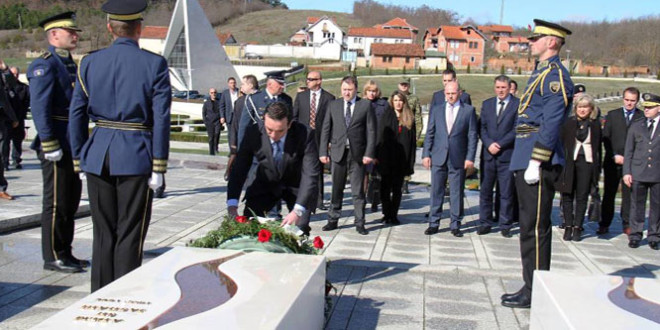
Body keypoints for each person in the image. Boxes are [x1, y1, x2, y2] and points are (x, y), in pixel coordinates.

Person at [69, 0, 171, 291]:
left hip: (98, 153)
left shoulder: (88, 62)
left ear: (109, 27)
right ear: (139, 28)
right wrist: (159, 165)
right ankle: (123, 296)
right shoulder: (154, 64)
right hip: (136, 154)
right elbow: (161, 117)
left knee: (103, 233)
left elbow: (77, 113)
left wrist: (79, 158)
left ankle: (98, 296)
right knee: (129, 232)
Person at [501, 19, 573, 309]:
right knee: (527, 225)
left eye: (536, 38)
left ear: (552, 42)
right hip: (525, 154)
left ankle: (537, 291)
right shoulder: (540, 73)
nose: (531, 42)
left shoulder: (555, 76)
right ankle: (530, 284)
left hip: (539, 160)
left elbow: (551, 123)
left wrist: (536, 160)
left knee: (536, 227)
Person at [27, 12, 86, 273]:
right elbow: (39, 107)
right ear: (54, 35)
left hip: (70, 142)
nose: (75, 35)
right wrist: (49, 141)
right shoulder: (45, 64)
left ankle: (66, 251)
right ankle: (52, 255)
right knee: (55, 203)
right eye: (69, 31)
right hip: (56, 144)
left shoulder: (69, 64)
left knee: (70, 201)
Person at [227, 102, 320, 235]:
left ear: (289, 124)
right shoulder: (253, 132)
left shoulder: (305, 134)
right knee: (248, 229)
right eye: (269, 130)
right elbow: (239, 168)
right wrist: (232, 203)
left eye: (280, 131)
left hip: (296, 186)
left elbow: (310, 174)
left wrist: (297, 211)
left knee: (299, 231)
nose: (274, 136)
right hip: (264, 183)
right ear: (264, 119)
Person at [319, 76, 376, 235]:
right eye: (344, 89)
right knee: (336, 189)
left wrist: (369, 153)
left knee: (358, 191)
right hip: (338, 154)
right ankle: (332, 220)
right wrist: (323, 151)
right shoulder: (333, 105)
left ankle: (360, 222)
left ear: (355, 90)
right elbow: (325, 129)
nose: (346, 93)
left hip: (357, 155)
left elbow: (371, 131)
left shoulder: (365, 105)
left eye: (349, 90)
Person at [422, 81, 478, 237]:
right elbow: (430, 134)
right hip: (438, 156)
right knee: (436, 191)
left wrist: (470, 157)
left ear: (459, 92)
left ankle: (455, 224)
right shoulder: (437, 110)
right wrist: (426, 154)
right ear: (444, 94)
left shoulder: (468, 111)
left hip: (458, 157)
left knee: (456, 192)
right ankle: (434, 223)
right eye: (448, 93)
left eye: (453, 93)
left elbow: (472, 136)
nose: (450, 96)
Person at [555, 94, 601, 242]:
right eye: (580, 107)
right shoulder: (569, 123)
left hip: (586, 163)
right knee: (567, 194)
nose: (582, 110)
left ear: (591, 109)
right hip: (570, 162)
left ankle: (578, 227)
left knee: (582, 196)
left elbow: (597, 148)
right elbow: (562, 144)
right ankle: (568, 225)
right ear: (575, 108)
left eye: (585, 107)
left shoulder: (594, 125)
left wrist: (596, 170)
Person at [477, 75, 519, 238]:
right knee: (486, 191)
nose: (500, 90)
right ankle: (485, 223)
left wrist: (500, 144)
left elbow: (517, 129)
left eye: (503, 87)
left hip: (506, 155)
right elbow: (482, 128)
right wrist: (489, 144)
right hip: (488, 155)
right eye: (498, 87)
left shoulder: (517, 105)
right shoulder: (487, 104)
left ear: (509, 88)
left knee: (506, 192)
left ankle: (505, 225)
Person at [600, 87, 643, 235]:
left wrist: (630, 159)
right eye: (627, 100)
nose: (629, 103)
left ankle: (627, 224)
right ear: (623, 98)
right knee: (609, 193)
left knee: (629, 195)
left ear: (637, 101)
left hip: (631, 163)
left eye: (632, 101)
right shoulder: (613, 115)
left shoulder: (641, 117)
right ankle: (604, 223)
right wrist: (614, 155)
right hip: (613, 161)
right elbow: (606, 138)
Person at [292, 71, 335, 211]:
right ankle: (300, 198)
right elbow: (295, 117)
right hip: (302, 138)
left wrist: (328, 141)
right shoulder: (301, 96)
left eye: (311, 79)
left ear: (319, 81)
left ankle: (319, 200)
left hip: (320, 139)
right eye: (307, 79)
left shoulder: (329, 98)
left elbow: (332, 121)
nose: (308, 81)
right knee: (301, 169)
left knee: (318, 170)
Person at [623, 92, 660, 250]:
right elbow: (629, 151)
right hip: (638, 171)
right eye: (645, 107)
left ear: (659, 108)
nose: (646, 110)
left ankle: (654, 235)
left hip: (657, 173)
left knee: (656, 206)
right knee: (637, 205)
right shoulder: (637, 125)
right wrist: (627, 172)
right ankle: (635, 235)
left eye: (650, 108)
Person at [377, 90, 416, 225]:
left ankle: (393, 215)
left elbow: (412, 142)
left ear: (404, 102)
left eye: (400, 100)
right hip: (386, 158)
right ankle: (386, 213)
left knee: (397, 189)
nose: (398, 103)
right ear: (392, 102)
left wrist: (410, 161)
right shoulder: (387, 116)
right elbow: (380, 137)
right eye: (395, 100)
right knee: (385, 189)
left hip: (401, 160)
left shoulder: (409, 117)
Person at [236, 72, 292, 150]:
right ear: (269, 84)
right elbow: (244, 126)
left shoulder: (287, 100)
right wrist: (241, 150)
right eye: (280, 83)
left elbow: (290, 124)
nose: (283, 86)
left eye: (283, 83)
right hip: (260, 147)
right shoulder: (254, 99)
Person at [363, 79, 389, 212]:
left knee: (377, 175)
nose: (372, 94)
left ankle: (375, 200)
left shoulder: (383, 104)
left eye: (374, 91)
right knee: (364, 173)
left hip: (379, 143)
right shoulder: (361, 104)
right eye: (369, 91)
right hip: (364, 143)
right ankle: (362, 199)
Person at [226, 74, 257, 180]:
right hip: (244, 141)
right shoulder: (239, 102)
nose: (241, 86)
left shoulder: (261, 99)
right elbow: (235, 123)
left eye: (243, 84)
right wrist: (234, 142)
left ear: (251, 85)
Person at [397, 78, 422, 194]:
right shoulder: (394, 97)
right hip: (396, 131)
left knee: (408, 158)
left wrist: (417, 134)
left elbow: (418, 117)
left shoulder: (414, 99)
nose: (404, 87)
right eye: (402, 85)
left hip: (408, 131)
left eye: (406, 85)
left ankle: (405, 183)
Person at [2, 67, 29, 170]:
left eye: (16, 74)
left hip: (19, 118)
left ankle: (16, 160)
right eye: (12, 74)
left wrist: (18, 119)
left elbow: (26, 104)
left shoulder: (24, 88)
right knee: (5, 142)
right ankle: (4, 162)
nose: (15, 76)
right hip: (7, 119)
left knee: (17, 141)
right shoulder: (5, 88)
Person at [0, 60, 19, 200]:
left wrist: (5, 69)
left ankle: (1, 188)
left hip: (2, 117)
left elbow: (13, 84)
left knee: (1, 152)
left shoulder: (2, 73)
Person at [219, 76, 239, 149]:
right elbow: (222, 106)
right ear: (228, 84)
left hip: (238, 117)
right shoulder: (225, 93)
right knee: (230, 134)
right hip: (229, 117)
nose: (233, 84)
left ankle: (238, 149)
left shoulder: (239, 92)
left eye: (234, 83)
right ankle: (231, 150)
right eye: (231, 83)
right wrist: (222, 116)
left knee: (238, 133)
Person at [202, 87, 222, 155]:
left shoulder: (219, 102)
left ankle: (216, 147)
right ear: (209, 93)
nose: (213, 94)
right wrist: (205, 122)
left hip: (217, 122)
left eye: (214, 92)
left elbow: (222, 110)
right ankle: (211, 152)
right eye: (212, 93)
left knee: (217, 134)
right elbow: (204, 113)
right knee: (211, 137)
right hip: (209, 122)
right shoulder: (206, 103)